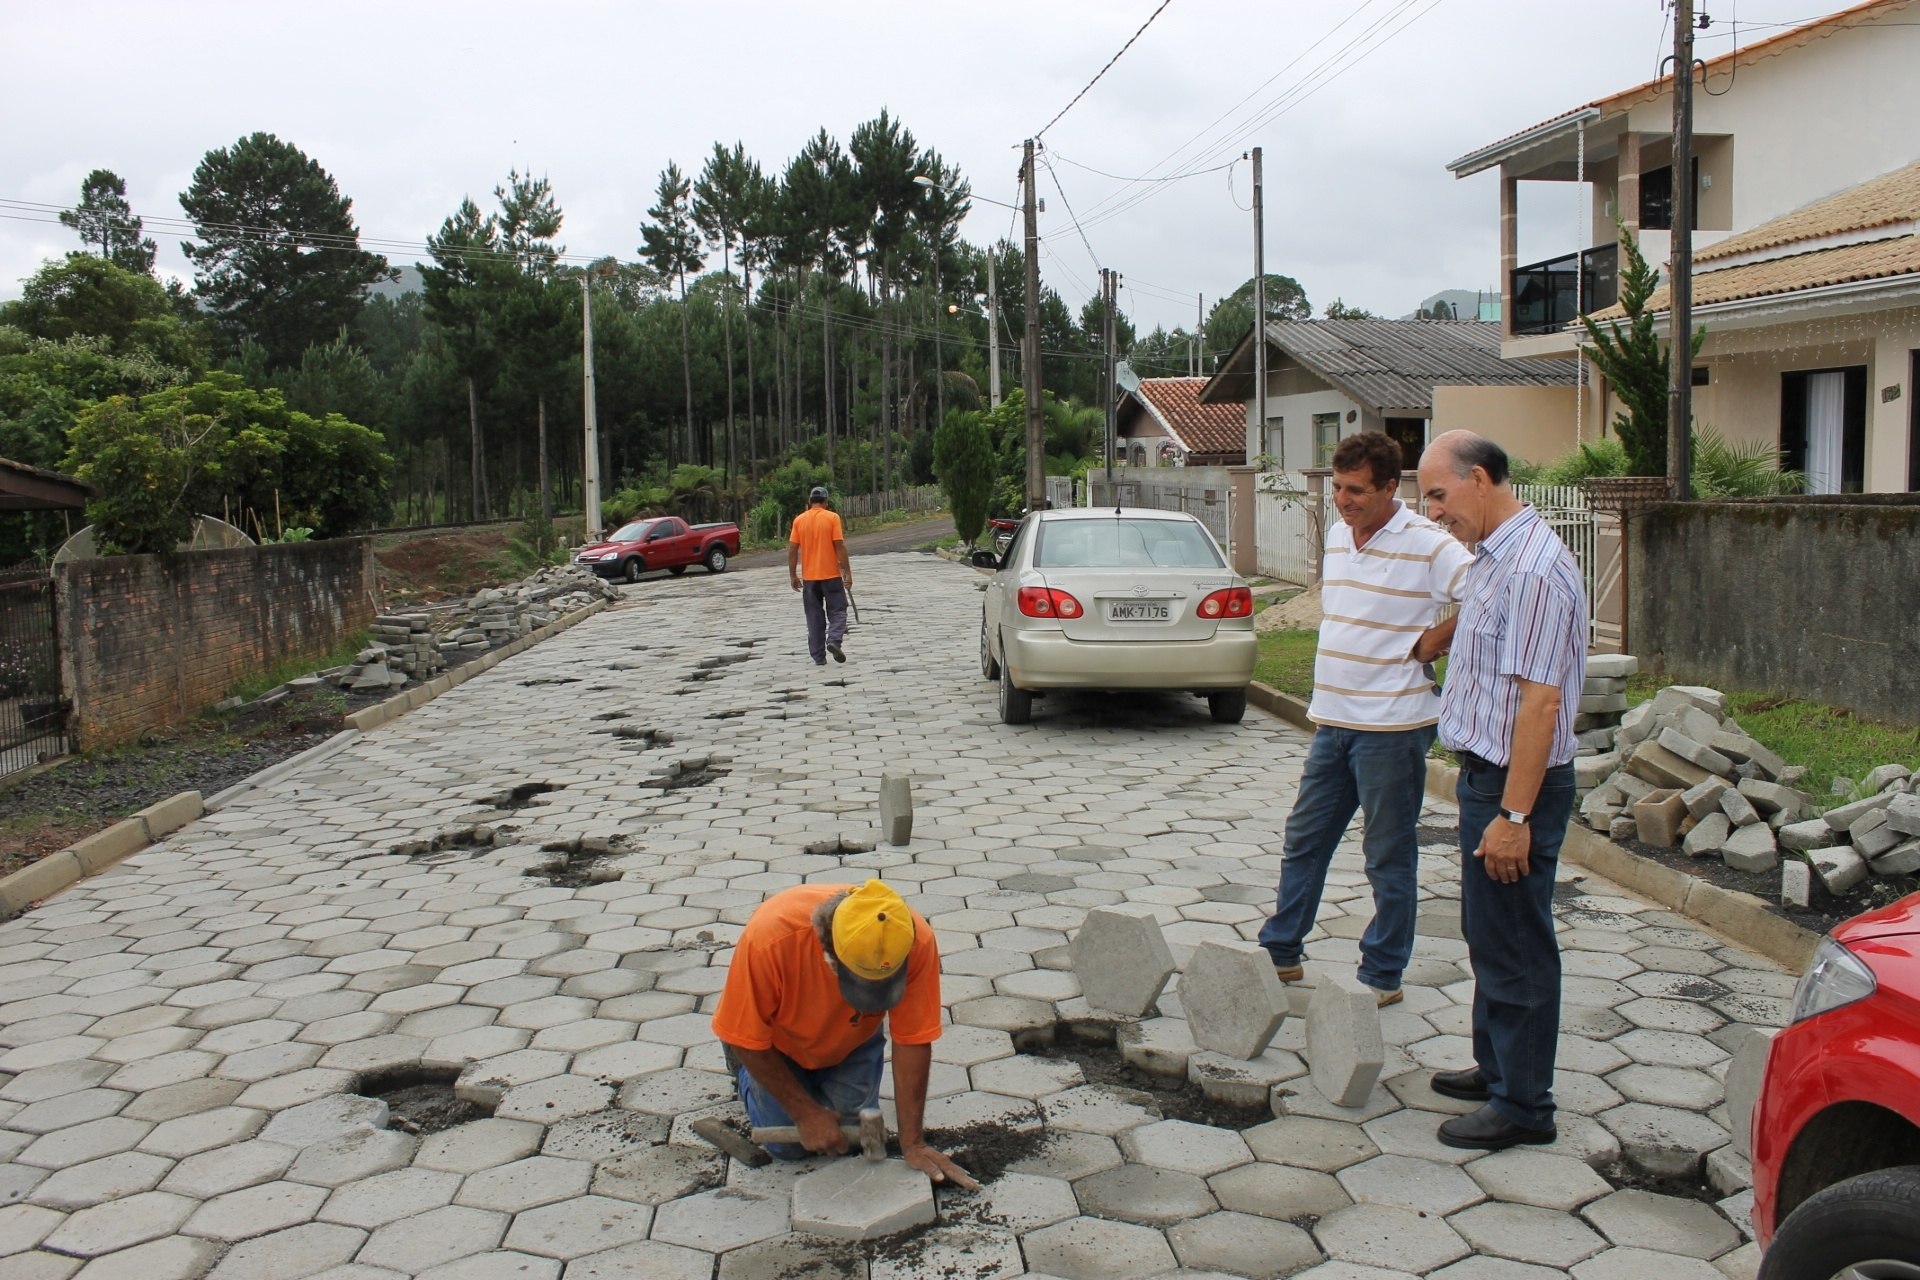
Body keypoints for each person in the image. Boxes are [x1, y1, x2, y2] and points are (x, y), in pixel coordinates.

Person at [1257, 432, 1473, 1007]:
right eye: (1337, 487)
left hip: (1394, 728)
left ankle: (1383, 975)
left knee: (1387, 856)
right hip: (1334, 721)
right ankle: (1281, 952)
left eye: (1356, 490)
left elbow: (1492, 589)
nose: (1344, 500)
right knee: (1305, 839)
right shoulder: (1335, 535)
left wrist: (1436, 640)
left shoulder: (1428, 542)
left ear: (1387, 488)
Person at [1414, 430, 1587, 1151]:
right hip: (1486, 781)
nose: (1431, 512)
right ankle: (1496, 1068)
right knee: (1490, 932)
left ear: (1479, 479)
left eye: (1437, 494)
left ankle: (1523, 1105)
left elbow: (1541, 704)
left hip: (1520, 789)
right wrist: (1440, 638)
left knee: (1516, 941)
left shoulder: (1537, 569)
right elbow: (1489, 623)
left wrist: (1514, 815)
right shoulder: (1495, 557)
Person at [711, 879, 977, 1186]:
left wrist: (912, 1142)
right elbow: (747, 1038)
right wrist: (805, 1114)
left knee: (843, 1138)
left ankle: (814, 1085)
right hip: (775, 1045)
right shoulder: (771, 937)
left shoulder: (909, 938)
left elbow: (913, 1040)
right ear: (829, 954)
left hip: (851, 1039)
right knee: (789, 1146)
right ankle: (745, 1071)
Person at [788, 485, 852, 665]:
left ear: (810, 502)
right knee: (838, 611)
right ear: (826, 501)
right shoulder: (832, 518)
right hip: (831, 575)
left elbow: (793, 549)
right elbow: (839, 546)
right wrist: (847, 572)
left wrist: (793, 575)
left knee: (814, 617)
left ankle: (818, 657)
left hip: (809, 579)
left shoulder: (799, 520)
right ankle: (833, 640)